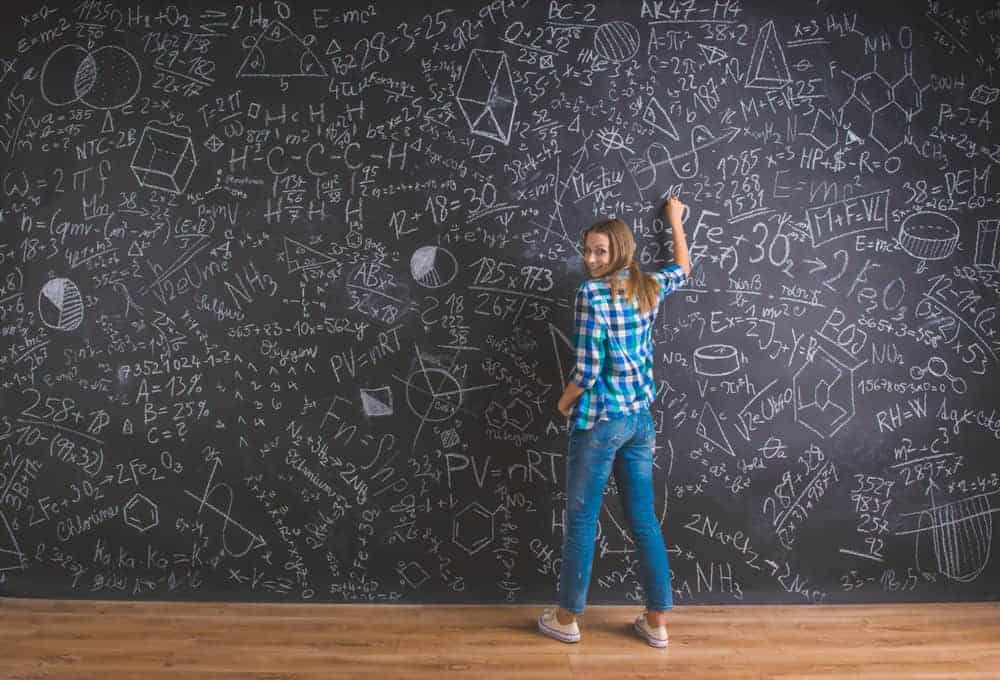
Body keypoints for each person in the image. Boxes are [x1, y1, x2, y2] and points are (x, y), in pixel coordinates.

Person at [538, 196, 691, 648]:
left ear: (619, 250)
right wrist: (675, 222)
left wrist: (563, 404)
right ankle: (657, 621)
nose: (590, 259)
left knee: (583, 519)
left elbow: (586, 371)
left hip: (601, 420)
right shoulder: (648, 286)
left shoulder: (592, 294)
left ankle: (566, 619)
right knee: (643, 517)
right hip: (639, 420)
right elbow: (683, 267)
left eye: (601, 251)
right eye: (587, 250)